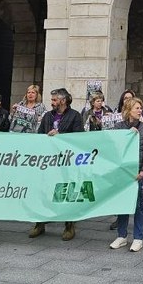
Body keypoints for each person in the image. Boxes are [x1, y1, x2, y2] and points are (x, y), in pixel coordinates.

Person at [28, 88, 84, 240]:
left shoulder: (75, 116)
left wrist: (61, 136)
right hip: (49, 161)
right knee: (44, 191)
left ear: (63, 101)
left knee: (66, 191)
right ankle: (39, 223)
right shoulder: (48, 116)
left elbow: (80, 138)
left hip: (67, 161)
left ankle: (69, 225)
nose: (52, 102)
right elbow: (40, 134)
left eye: (54, 100)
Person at [110, 97, 143, 252]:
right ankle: (121, 235)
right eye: (137, 108)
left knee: (139, 205)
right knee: (123, 203)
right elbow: (113, 146)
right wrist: (127, 135)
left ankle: (138, 237)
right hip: (123, 172)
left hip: (137, 173)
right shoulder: (118, 127)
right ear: (128, 110)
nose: (140, 111)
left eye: (141, 108)